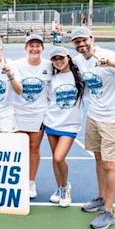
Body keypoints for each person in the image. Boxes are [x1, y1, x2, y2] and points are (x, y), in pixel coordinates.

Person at [71, 26, 115, 229]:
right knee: (98, 159)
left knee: (109, 164)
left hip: (113, 118)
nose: (81, 44)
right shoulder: (78, 60)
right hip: (93, 116)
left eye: (84, 40)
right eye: (77, 41)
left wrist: (111, 62)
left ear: (91, 38)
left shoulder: (106, 55)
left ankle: (109, 211)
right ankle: (102, 197)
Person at [43, 46, 84, 208]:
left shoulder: (79, 77)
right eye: (55, 59)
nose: (58, 61)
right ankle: (60, 187)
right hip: (51, 122)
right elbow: (47, 100)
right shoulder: (52, 79)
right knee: (55, 158)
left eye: (61, 58)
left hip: (70, 125)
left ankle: (65, 188)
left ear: (68, 57)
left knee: (59, 157)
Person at [13, 34, 52, 199]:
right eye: (31, 46)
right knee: (18, 149)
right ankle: (17, 180)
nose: (34, 49)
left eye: (37, 46)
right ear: (26, 48)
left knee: (34, 148)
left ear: (42, 48)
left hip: (38, 114)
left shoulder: (49, 66)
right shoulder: (16, 65)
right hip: (18, 113)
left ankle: (30, 182)